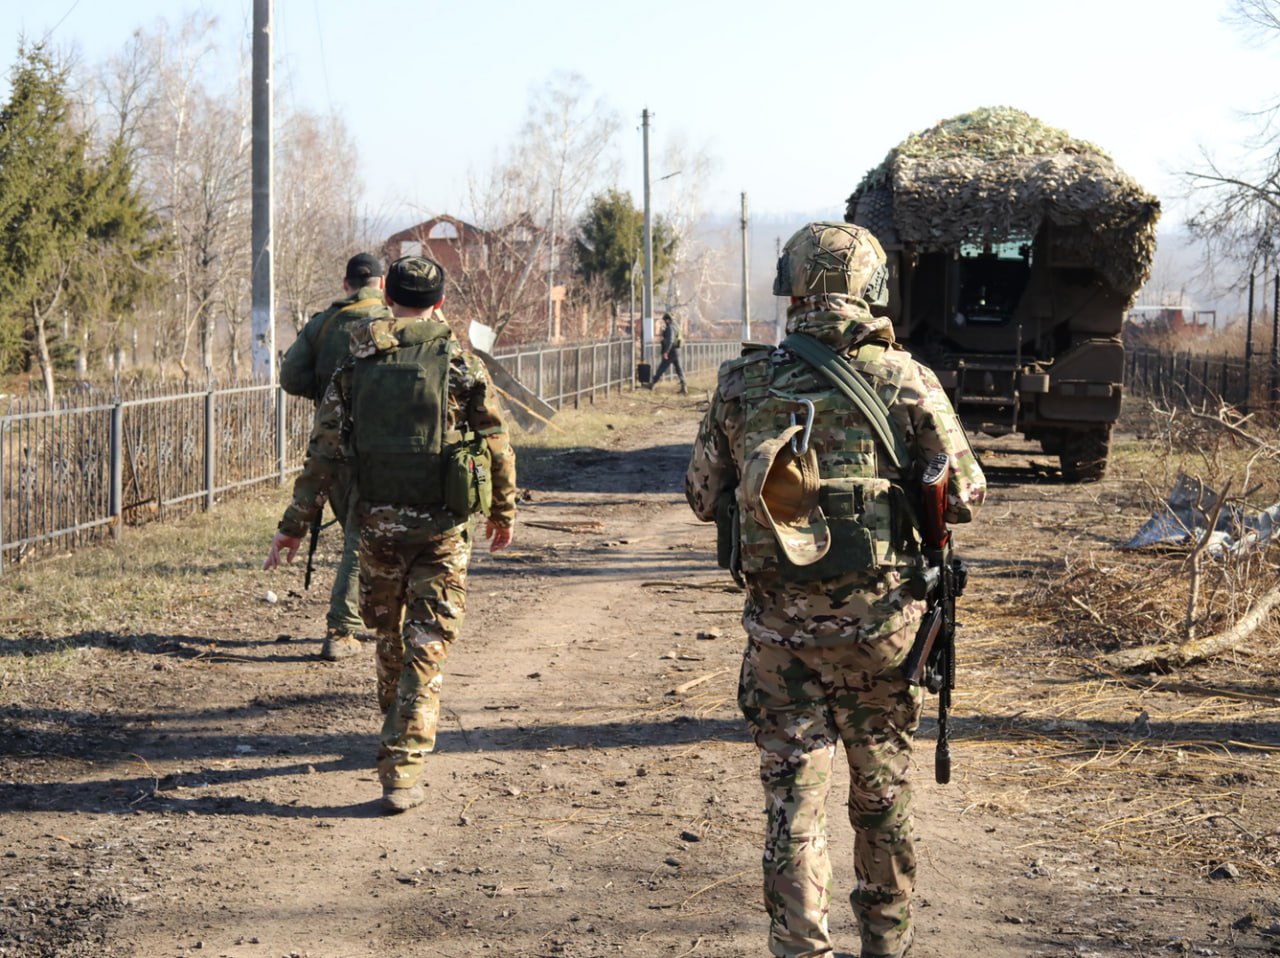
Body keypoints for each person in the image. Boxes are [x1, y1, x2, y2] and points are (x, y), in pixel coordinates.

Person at [684, 222, 985, 958]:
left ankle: (800, 948)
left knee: (793, 809)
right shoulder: (906, 379)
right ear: (872, 287)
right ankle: (887, 944)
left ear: (792, 285)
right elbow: (969, 492)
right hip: (881, 638)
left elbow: (700, 495)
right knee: (880, 803)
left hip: (780, 642)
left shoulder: (742, 382)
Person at [264, 255, 518, 814]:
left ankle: (394, 727)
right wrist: (502, 509)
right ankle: (402, 760)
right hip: (444, 526)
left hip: (376, 523)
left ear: (389, 296)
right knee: (428, 644)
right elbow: (496, 440)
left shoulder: (357, 361)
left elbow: (325, 450)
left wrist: (294, 526)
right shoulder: (459, 361)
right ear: (441, 303)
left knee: (390, 636)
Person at [279, 252, 392, 661]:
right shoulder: (392, 322)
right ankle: (341, 629)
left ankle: (363, 620)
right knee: (359, 541)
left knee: (356, 536)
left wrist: (327, 395)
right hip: (379, 447)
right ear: (380, 284)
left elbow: (290, 377)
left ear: (346, 284)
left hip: (331, 447)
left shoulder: (323, 323)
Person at [648, 312, 686, 393]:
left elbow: (670, 340)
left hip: (671, 351)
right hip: (677, 351)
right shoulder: (677, 326)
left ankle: (652, 384)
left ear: (668, 320)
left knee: (662, 368)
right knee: (679, 369)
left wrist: (666, 352)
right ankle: (684, 387)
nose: (665, 322)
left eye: (665, 320)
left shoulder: (670, 328)